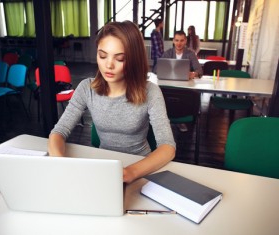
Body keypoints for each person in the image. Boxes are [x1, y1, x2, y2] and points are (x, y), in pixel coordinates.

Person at [48, 21, 176, 184]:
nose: (108, 65)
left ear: (133, 59)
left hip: (140, 168)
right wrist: (60, 163)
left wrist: (128, 173)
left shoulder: (151, 91)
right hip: (104, 167)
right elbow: (58, 132)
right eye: (102, 55)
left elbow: (168, 147)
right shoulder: (86, 88)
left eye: (120, 58)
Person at [162, 30, 202, 132]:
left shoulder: (190, 54)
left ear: (185, 41)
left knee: (189, 97)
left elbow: (199, 70)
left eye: (181, 40)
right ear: (173, 41)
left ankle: (181, 120)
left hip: (185, 87)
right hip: (169, 85)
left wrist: (193, 74)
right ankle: (169, 120)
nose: (179, 43)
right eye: (176, 40)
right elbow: (156, 69)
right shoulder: (167, 53)